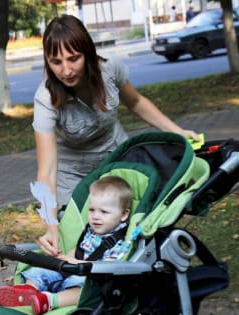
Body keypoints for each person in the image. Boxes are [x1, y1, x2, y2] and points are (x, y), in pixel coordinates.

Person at [33, 14, 200, 257]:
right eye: (56, 61)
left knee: (135, 230)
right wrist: (50, 225)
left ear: (87, 53)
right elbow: (46, 171)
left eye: (73, 58)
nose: (66, 70)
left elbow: (137, 102)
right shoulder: (45, 98)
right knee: (78, 244)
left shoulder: (109, 69)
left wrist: (178, 132)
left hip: (116, 160)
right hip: (73, 176)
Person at [0, 176, 133, 315]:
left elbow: (108, 266)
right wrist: (63, 259)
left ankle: (49, 301)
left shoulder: (120, 242)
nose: (95, 216)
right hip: (71, 269)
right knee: (40, 271)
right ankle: (27, 292)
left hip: (91, 279)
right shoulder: (91, 231)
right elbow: (79, 250)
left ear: (123, 215)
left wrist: (77, 263)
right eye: (92, 210)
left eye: (104, 212)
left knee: (82, 289)